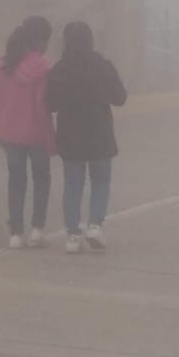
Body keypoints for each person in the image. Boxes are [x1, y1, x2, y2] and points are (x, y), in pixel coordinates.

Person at [45, 21, 128, 254]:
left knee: (73, 184)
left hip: (70, 135)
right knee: (100, 181)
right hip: (99, 132)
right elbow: (120, 97)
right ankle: (94, 225)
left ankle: (72, 236)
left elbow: (49, 104)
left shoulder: (59, 69)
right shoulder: (102, 65)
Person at [0, 16, 55, 249]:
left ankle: (16, 233)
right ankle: (37, 229)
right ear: (39, 40)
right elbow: (41, 107)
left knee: (16, 182)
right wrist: (49, 137)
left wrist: (0, 131)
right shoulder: (41, 67)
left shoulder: (3, 67)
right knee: (41, 180)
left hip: (9, 134)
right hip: (35, 133)